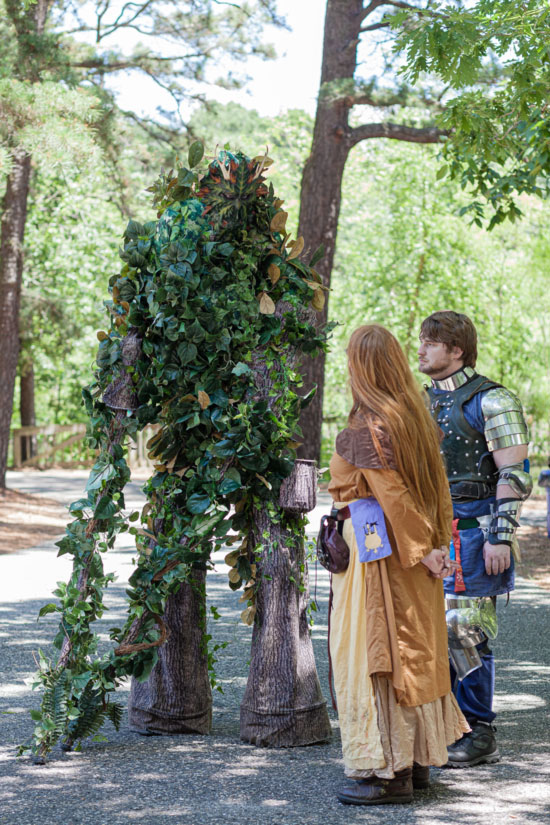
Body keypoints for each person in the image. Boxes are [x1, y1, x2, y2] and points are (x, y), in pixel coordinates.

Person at [329, 324, 470, 806]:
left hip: (382, 556)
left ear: (360, 367)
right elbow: (436, 489)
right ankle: (419, 760)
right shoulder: (414, 416)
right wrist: (437, 547)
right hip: (416, 552)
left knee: (379, 652)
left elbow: (392, 495)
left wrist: (421, 549)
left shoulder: (367, 426)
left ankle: (390, 773)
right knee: (417, 649)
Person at [418, 310, 531, 767]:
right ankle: (443, 725)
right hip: (428, 532)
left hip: (475, 531)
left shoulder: (493, 400)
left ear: (456, 349)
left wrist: (500, 535)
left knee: (464, 632)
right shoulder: (420, 402)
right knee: (426, 631)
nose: (420, 349)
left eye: (430, 342)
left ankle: (479, 729)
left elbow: (515, 473)